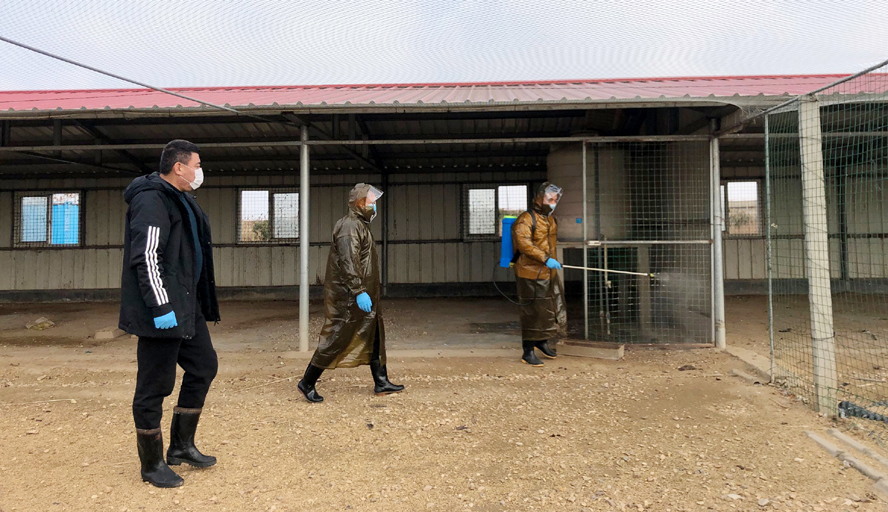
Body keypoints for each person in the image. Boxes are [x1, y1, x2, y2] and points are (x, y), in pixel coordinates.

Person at [119, 139, 220, 488]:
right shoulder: (151, 199)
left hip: (186, 305)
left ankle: (180, 446)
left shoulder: (182, 198)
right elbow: (147, 256)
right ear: (179, 167)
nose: (199, 171)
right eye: (197, 165)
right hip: (162, 309)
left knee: (204, 366)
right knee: (154, 386)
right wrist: (161, 306)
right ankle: (151, 465)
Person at [297, 183, 403, 403]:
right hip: (350, 296)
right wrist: (358, 290)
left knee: (374, 333)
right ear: (360, 203)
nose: (374, 206)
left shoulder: (360, 225)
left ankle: (381, 381)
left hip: (365, 293)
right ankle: (307, 381)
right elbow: (349, 261)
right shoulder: (350, 226)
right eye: (371, 202)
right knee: (338, 336)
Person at [512, 182, 567, 366]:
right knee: (532, 312)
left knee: (547, 310)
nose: (553, 202)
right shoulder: (526, 219)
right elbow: (524, 244)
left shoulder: (550, 219)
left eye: (555, 199)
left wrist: (551, 262)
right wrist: (545, 258)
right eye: (549, 199)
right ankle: (527, 351)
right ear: (539, 198)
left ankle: (541, 342)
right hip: (530, 273)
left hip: (548, 272)